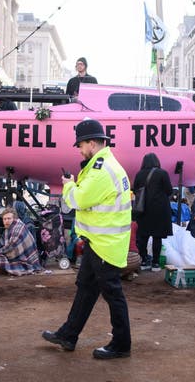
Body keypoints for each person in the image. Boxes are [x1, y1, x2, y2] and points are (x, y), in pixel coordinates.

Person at [42, 119, 132, 360]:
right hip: (101, 242)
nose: (79, 150)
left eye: (81, 145)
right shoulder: (103, 165)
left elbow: (78, 201)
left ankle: (121, 344)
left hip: (105, 244)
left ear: (92, 143)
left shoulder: (102, 170)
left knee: (112, 294)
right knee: (86, 289)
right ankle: (68, 335)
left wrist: (68, 186)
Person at [132, 153, 173, 271]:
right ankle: (155, 263)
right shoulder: (162, 173)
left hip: (143, 209)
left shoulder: (139, 174)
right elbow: (169, 191)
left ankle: (143, 261)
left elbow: (135, 190)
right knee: (157, 237)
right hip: (159, 210)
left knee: (143, 237)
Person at [0, 207, 41, 276]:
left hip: (26, 261)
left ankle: (1, 268)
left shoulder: (18, 228)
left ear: (14, 219)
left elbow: (11, 247)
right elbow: (2, 245)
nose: (6, 221)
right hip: (15, 255)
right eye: (4, 219)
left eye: (9, 218)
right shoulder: (8, 229)